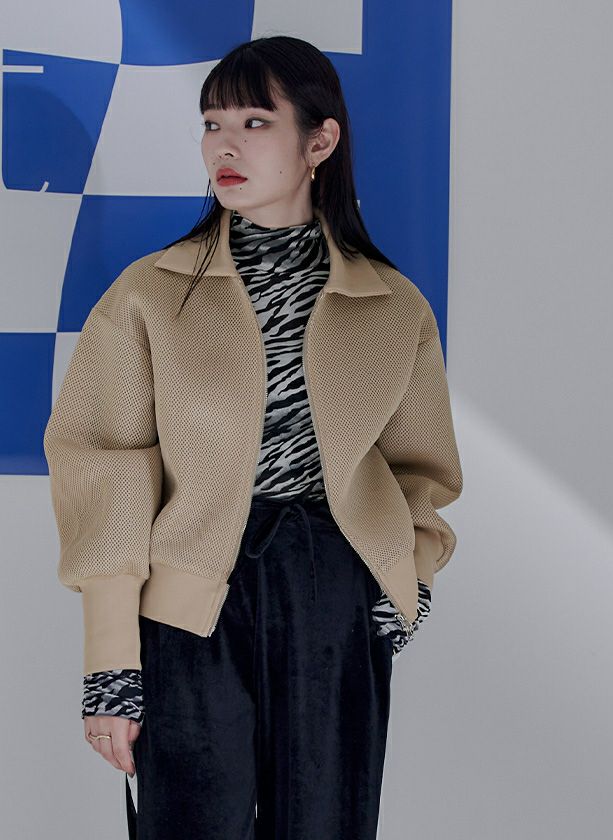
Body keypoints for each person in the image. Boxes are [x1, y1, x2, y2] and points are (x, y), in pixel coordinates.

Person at [44, 35, 463, 840]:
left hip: (335, 594)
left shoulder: (392, 305)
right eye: (212, 123)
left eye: (254, 122)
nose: (224, 146)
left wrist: (407, 582)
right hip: (190, 601)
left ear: (320, 141)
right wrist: (111, 663)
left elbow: (421, 469)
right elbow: (104, 469)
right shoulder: (149, 294)